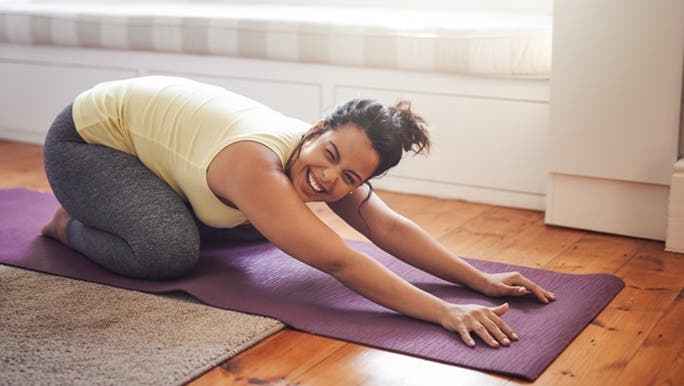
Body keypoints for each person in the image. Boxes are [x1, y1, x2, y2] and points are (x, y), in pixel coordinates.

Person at [41, 76, 555, 348]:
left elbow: (384, 224)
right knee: (166, 251)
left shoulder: (329, 163)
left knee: (275, 226)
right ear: (312, 131)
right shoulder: (255, 162)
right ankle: (71, 223)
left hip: (163, 162)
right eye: (329, 156)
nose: (330, 179)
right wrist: (444, 311)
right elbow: (339, 261)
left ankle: (145, 210)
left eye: (350, 178)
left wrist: (476, 280)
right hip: (87, 143)